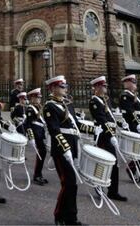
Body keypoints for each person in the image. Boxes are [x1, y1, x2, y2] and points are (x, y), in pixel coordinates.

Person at [44, 75, 82, 225]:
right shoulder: (49, 106)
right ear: (53, 88)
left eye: (65, 86)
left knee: (73, 184)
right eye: (62, 86)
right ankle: (59, 215)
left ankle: (71, 217)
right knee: (68, 183)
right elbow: (54, 130)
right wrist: (65, 147)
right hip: (61, 150)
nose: (65, 89)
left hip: (73, 147)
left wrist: (94, 129)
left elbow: (76, 125)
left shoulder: (67, 105)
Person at [88, 76, 127, 201]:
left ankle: (113, 191)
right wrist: (111, 135)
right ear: (97, 87)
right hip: (103, 136)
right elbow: (101, 120)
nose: (105, 88)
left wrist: (121, 124)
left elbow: (110, 118)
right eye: (103, 86)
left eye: (105, 86)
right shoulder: (94, 101)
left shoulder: (106, 100)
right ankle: (98, 186)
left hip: (110, 135)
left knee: (114, 164)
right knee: (102, 162)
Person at [24, 88, 48, 185]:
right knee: (41, 152)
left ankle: (39, 174)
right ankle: (37, 175)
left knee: (43, 152)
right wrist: (31, 137)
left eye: (39, 98)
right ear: (32, 98)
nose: (39, 99)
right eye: (37, 98)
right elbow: (28, 124)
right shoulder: (30, 109)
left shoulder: (38, 107)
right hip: (35, 133)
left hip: (40, 132)